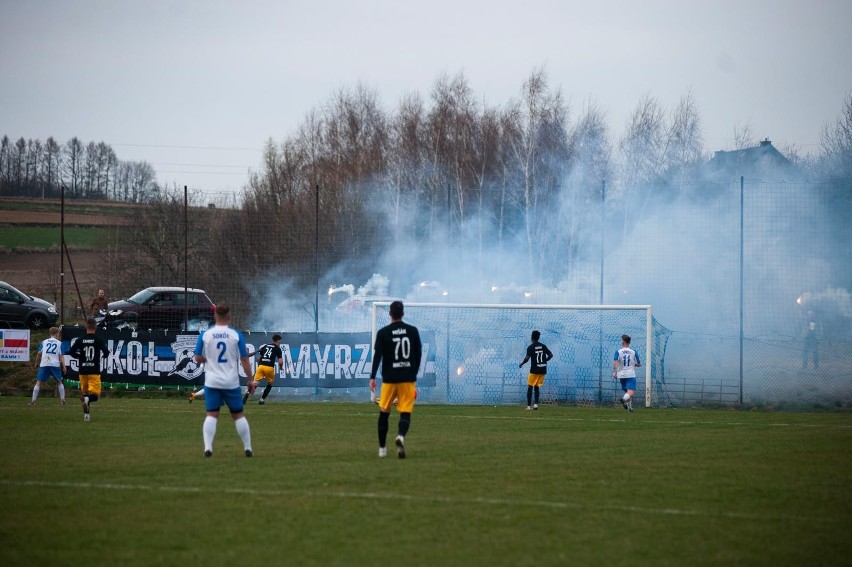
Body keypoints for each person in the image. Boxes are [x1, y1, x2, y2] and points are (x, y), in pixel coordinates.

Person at [193, 302, 254, 458]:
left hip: (212, 382)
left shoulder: (205, 335)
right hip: (230, 382)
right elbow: (245, 360)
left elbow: (197, 358)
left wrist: (208, 359)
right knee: (238, 415)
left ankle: (208, 448)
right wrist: (250, 380)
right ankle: (248, 448)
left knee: (212, 414)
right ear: (229, 316)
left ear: (215, 315)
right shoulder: (235, 335)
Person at [369, 300, 422, 459]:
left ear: (390, 314)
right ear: (403, 313)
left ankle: (382, 450)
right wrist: (413, 372)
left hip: (390, 379)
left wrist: (372, 377)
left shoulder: (383, 333)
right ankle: (400, 436)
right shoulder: (412, 331)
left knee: (384, 412)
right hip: (407, 378)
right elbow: (418, 354)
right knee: (405, 412)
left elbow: (377, 356)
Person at [69, 318, 110, 421]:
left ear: (86, 326)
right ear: (95, 327)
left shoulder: (80, 339)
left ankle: (86, 415)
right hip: (94, 370)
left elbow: (71, 352)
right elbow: (106, 352)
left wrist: (80, 356)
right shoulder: (98, 340)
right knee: (95, 396)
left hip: (82, 371)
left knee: (85, 394)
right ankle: (87, 401)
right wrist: (103, 356)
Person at [29, 326, 67, 405]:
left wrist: (37, 363)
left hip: (45, 363)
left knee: (38, 382)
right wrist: (64, 366)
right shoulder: (59, 343)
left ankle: (33, 401)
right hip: (55, 364)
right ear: (57, 334)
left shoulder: (44, 342)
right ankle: (63, 400)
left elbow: (39, 353)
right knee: (59, 382)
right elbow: (61, 356)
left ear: (50, 333)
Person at [243, 334, 284, 405]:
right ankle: (261, 400)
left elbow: (258, 359)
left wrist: (260, 366)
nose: (280, 342)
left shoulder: (265, 346)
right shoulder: (277, 348)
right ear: (278, 340)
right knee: (270, 384)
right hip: (269, 367)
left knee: (255, 383)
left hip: (261, 366)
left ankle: (247, 392)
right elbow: (280, 361)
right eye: (280, 341)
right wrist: (281, 367)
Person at [519, 330, 553, 410]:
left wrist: (522, 363)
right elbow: (551, 355)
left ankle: (528, 406)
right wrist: (545, 360)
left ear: (531, 338)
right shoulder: (543, 346)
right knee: (537, 386)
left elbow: (527, 358)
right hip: (543, 370)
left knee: (530, 387)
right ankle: (536, 405)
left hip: (534, 370)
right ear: (538, 337)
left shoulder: (530, 347)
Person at [613, 334, 641, 413]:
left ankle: (630, 408)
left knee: (627, 392)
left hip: (621, 375)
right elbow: (638, 363)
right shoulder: (633, 352)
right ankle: (623, 399)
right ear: (629, 342)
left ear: (623, 342)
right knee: (630, 393)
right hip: (630, 374)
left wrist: (614, 372)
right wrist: (636, 364)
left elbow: (615, 362)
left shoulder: (618, 351)